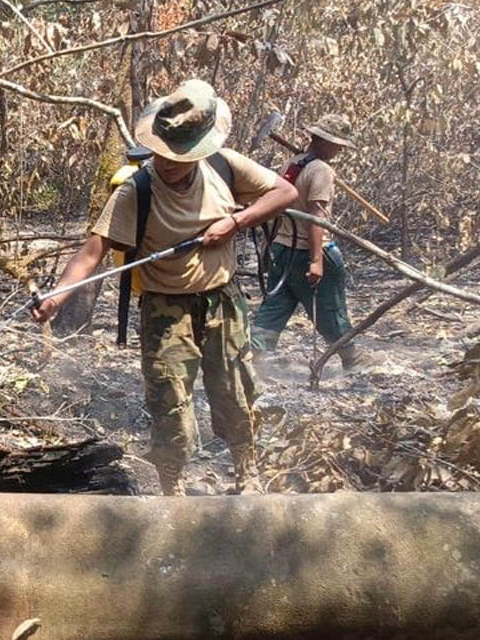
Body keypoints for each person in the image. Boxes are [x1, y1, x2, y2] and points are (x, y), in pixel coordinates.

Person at [31, 79, 297, 494]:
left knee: (234, 390)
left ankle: (247, 472)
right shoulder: (135, 191)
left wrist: (235, 222)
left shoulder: (224, 167)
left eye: (178, 157)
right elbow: (92, 251)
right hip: (165, 310)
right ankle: (171, 486)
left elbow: (285, 191)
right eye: (161, 152)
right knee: (169, 401)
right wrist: (56, 297)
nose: (166, 162)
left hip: (222, 301)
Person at [250, 114, 370, 370]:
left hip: (282, 249)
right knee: (330, 309)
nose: (339, 150)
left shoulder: (291, 165)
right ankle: (351, 358)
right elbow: (316, 217)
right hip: (310, 250)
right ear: (324, 141)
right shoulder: (321, 170)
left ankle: (255, 359)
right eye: (337, 145)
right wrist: (317, 261)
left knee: (275, 306)